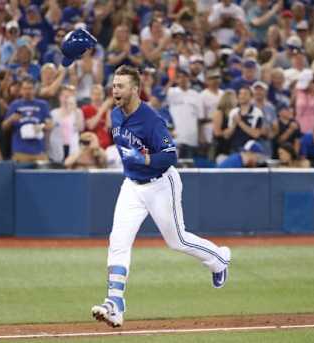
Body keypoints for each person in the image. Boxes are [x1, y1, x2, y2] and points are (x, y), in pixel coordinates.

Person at [91, 65, 231, 328]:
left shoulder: (151, 119)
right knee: (118, 241)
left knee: (177, 240)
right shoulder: (115, 115)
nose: (115, 90)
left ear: (135, 89)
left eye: (120, 86)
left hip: (160, 184)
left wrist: (143, 157)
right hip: (132, 185)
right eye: (114, 85)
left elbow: (170, 155)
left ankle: (219, 258)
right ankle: (115, 303)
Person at [2, 76, 54, 162]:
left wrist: (41, 126)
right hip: (20, 151)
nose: (27, 91)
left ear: (34, 90)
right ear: (21, 90)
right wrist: (11, 119)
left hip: (39, 151)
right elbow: (3, 127)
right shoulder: (14, 105)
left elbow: (50, 125)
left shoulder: (42, 105)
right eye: (25, 88)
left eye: (30, 88)